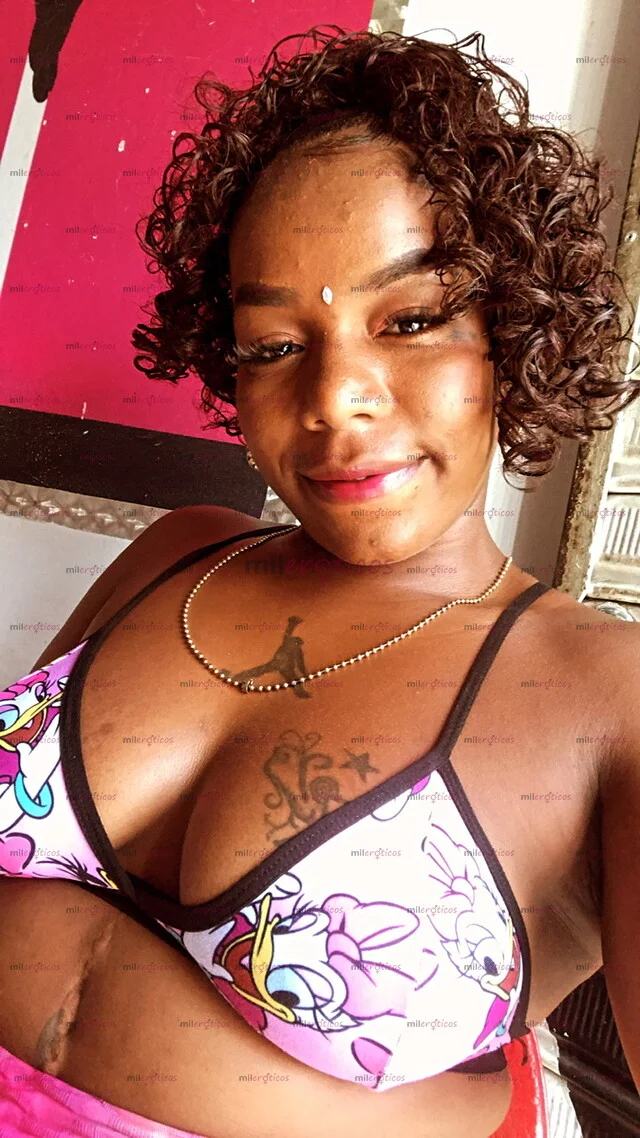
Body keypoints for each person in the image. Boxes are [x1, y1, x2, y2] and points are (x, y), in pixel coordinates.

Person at [1, 23, 639, 1138]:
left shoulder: (607, 695)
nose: (336, 396)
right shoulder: (179, 553)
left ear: (512, 329)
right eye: (273, 344)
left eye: (413, 320)